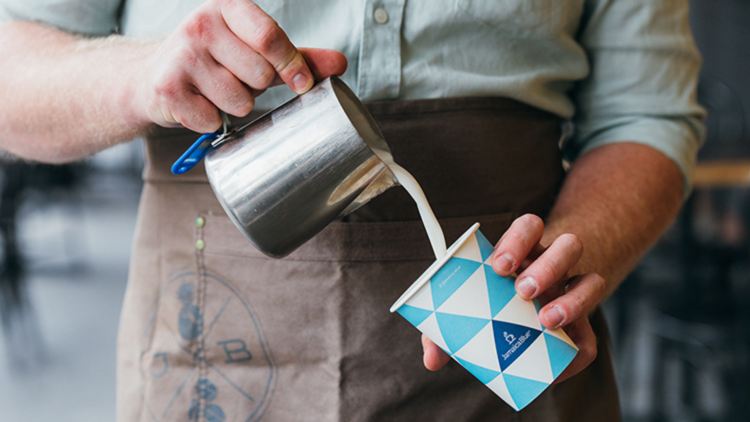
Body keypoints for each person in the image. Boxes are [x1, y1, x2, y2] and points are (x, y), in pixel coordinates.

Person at [0, 0, 704, 421]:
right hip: (218, 340)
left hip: (507, 333)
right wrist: (134, 76)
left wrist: (583, 247)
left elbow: (647, 114)